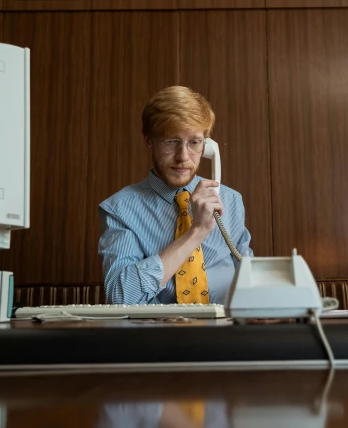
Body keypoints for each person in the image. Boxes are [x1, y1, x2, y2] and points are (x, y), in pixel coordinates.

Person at [98, 86, 253, 305]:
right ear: (149, 141)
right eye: (170, 141)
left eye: (194, 142)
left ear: (207, 147)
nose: (183, 156)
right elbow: (122, 297)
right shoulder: (119, 209)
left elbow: (250, 280)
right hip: (158, 335)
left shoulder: (230, 200)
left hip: (225, 332)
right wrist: (196, 232)